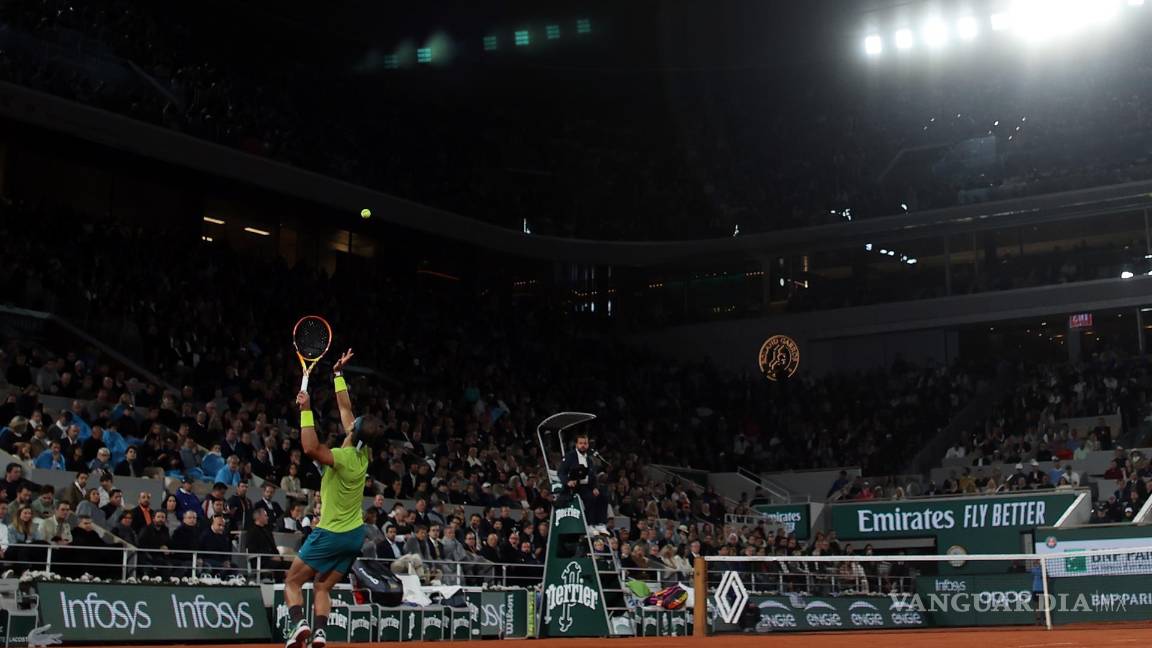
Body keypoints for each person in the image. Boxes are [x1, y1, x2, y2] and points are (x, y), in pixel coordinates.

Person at [283, 350, 383, 648]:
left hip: (331, 532)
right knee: (322, 586)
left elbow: (311, 448)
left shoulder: (341, 457)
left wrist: (306, 409)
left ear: (354, 430)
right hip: (354, 536)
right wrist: (338, 375)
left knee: (292, 582)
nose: (350, 419)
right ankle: (321, 631)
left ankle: (299, 623)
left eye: (355, 421)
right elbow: (345, 409)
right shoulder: (363, 453)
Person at [556, 433, 609, 532]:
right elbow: (561, 472)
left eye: (585, 443)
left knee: (603, 494)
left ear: (588, 445)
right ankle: (589, 524)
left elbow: (592, 476)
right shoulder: (570, 456)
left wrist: (595, 487)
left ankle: (600, 523)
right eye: (581, 443)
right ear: (576, 444)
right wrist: (568, 482)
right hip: (575, 487)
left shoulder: (589, 459)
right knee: (590, 497)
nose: (583, 445)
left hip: (588, 486)